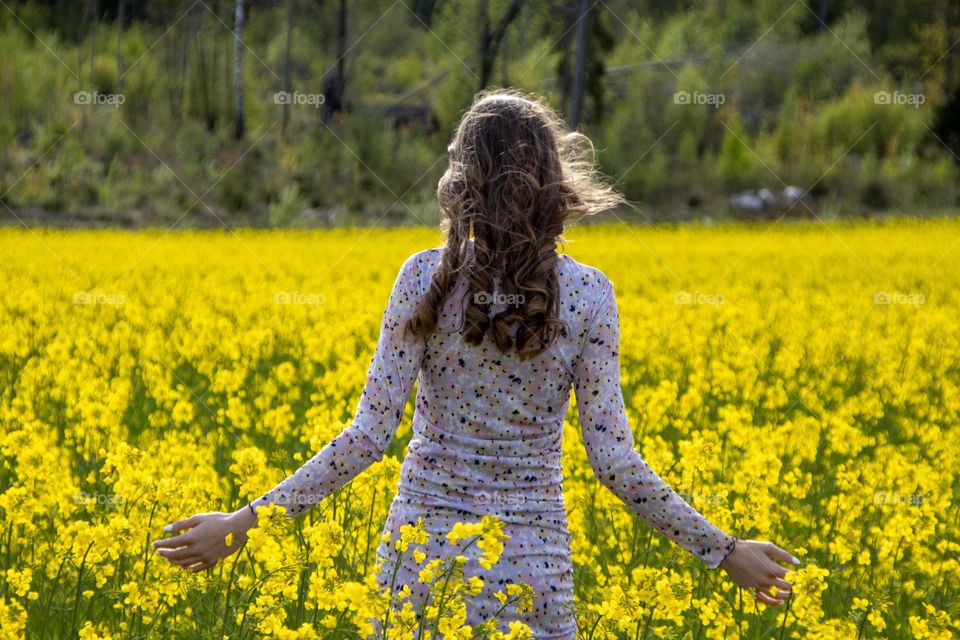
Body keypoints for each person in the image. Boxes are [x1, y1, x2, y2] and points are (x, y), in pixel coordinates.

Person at [153, 89, 800, 638]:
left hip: (420, 570)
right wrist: (724, 551)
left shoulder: (420, 279)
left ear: (460, 180)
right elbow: (614, 462)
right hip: (533, 574)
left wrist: (244, 522)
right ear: (552, 181)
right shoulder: (588, 294)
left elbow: (367, 437)